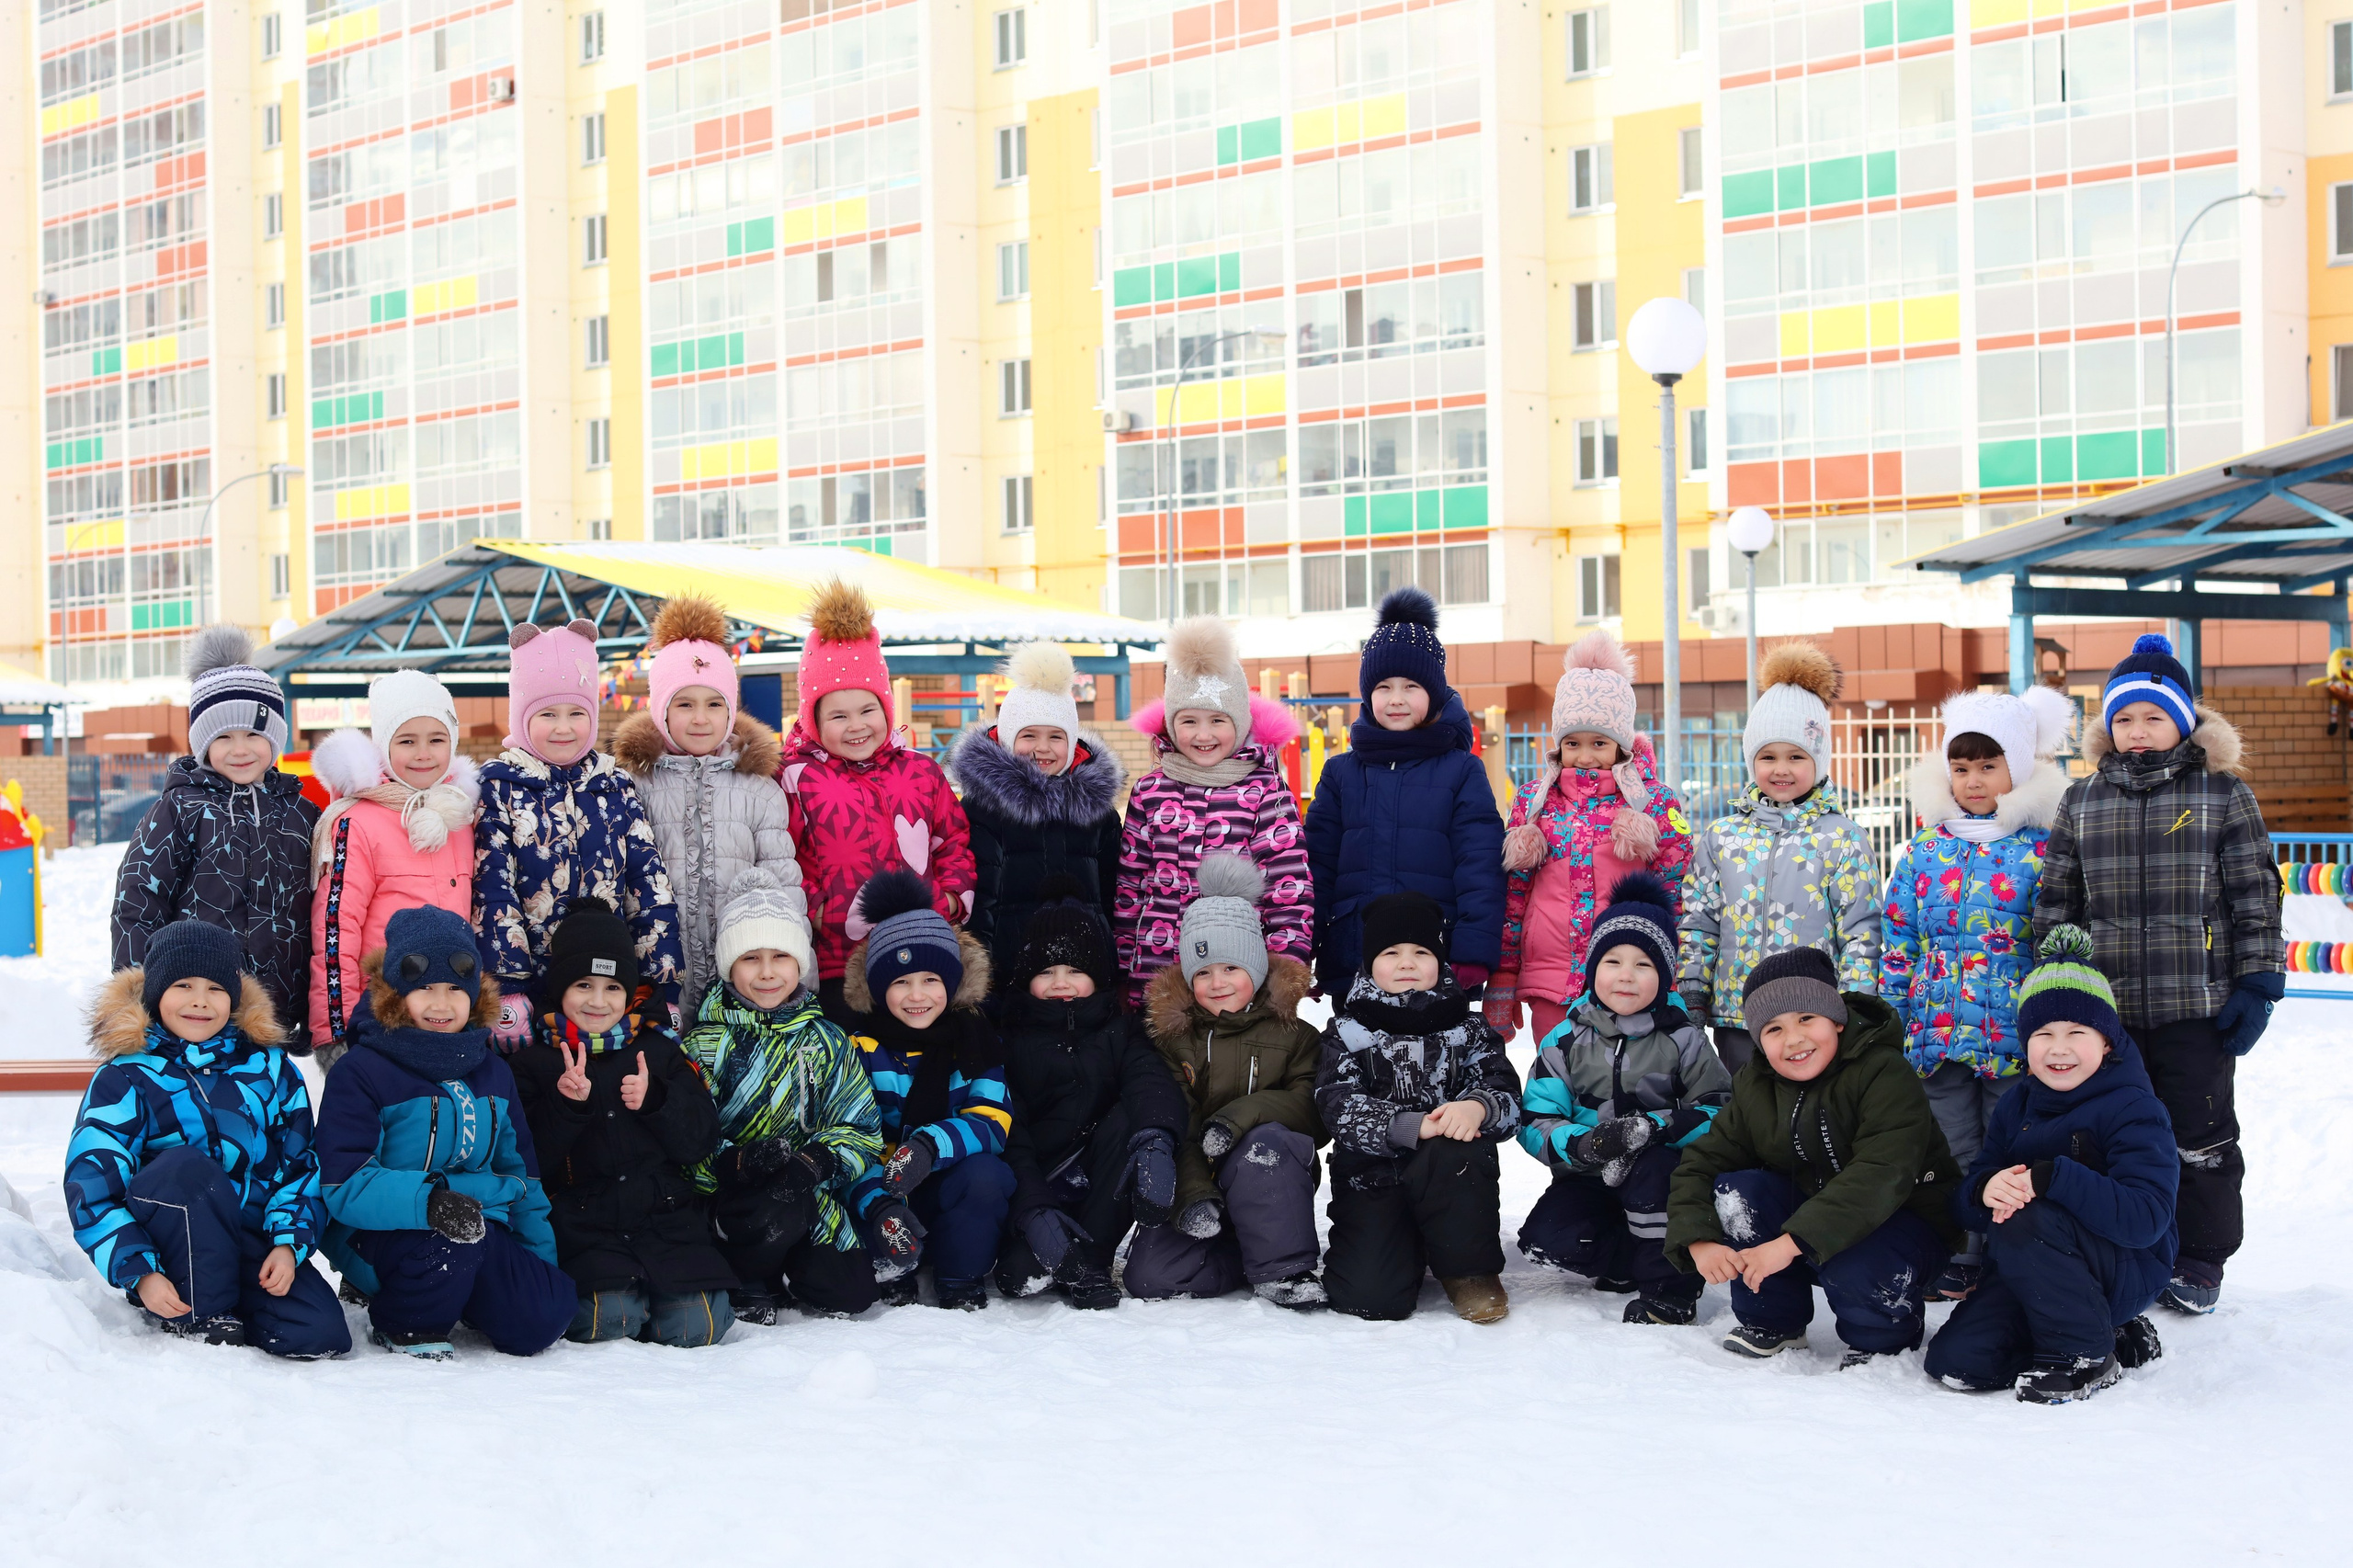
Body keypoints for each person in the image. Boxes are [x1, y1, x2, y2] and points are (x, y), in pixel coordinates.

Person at [2032, 633, 2282, 1316]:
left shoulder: (2222, 794)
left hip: (2195, 1006)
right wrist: (2057, 982)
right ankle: (2125, 1243)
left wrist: (2258, 982)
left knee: (2198, 1135)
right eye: (2122, 719)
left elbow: (2255, 898)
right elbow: (2058, 900)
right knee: (2109, 1133)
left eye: (2152, 716)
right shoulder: (2081, 802)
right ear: (2106, 729)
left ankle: (2200, 1256)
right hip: (2105, 1016)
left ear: (2182, 721)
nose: (2137, 732)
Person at [63, 921, 349, 1358]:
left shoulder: (269, 1069)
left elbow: (299, 1163)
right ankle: (198, 1311)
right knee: (186, 1167)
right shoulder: (126, 1075)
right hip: (172, 1244)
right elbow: (92, 1184)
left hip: (250, 1235)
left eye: (216, 988)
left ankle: (230, 1302)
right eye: (183, 985)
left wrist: (288, 1244)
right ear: (157, 992)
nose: (200, 1000)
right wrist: (141, 1272)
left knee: (317, 1333)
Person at [1665, 948, 1962, 1366]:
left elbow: (1882, 1173)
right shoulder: (1756, 1086)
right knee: (1739, 1191)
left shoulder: (1883, 1071)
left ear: (1836, 1020)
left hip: (1903, 1226)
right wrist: (1696, 1238)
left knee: (1854, 1257)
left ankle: (1881, 1335)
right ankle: (1773, 1321)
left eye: (1807, 1018)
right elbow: (1703, 1161)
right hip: (1810, 1220)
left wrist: (1789, 1244)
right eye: (1774, 1029)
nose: (1794, 1039)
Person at [1926, 926, 2178, 1403]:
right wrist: (1984, 1191)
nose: (2058, 1048)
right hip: (2031, 1269)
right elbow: (1968, 1200)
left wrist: (2053, 1178)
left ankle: (2086, 1356)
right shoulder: (2016, 1104)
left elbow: (2147, 1217)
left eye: (2076, 1033)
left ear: (2106, 1042)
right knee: (1958, 1363)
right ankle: (2107, 1333)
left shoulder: (2134, 1108)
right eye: (2043, 1034)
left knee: (2031, 1214)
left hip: (2123, 1265)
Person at [1881, 684, 2075, 1298]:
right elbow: (1900, 939)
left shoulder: (2041, 851)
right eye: (1961, 767)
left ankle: (2006, 1246)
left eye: (1988, 766)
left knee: (2010, 1140)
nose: (1972, 779)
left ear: (2015, 770)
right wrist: (1892, 1015)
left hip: (2012, 1032)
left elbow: (2053, 940)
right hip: (1937, 1031)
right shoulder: (1925, 850)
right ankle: (1962, 1245)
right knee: (1951, 1142)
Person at [315, 905, 576, 1359]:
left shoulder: (492, 1072)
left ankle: (462, 1292)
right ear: (397, 994)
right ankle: (404, 1324)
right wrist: (430, 1202)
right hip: (381, 1232)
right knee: (451, 1248)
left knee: (545, 1313)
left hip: (477, 1224)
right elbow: (344, 1182)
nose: (441, 1004)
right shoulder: (362, 1071)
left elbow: (524, 1179)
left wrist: (535, 1265)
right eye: (425, 990)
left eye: (455, 989)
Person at [511, 897, 736, 1348]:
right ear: (559, 989)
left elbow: (700, 1141)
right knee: (606, 1322)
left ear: (629, 992)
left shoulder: (659, 1050)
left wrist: (657, 1102)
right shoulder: (534, 1063)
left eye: (612, 988)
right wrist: (566, 1107)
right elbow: (528, 1164)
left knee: (699, 1328)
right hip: (585, 1228)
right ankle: (629, 1303)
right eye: (583, 985)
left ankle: (659, 1302)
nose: (598, 1001)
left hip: (665, 1222)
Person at [1516, 872, 1731, 1326]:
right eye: (1613, 961)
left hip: (1662, 1172)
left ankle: (1668, 1291)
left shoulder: (1684, 1039)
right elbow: (1535, 1118)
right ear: (1593, 969)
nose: (1626, 977)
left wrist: (1657, 1128)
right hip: (1590, 1173)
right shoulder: (1567, 1038)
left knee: (1653, 1179)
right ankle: (1623, 1253)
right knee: (1548, 1241)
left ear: (1666, 974)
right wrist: (1585, 1145)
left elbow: (1720, 1109)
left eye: (1644, 965)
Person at [681, 867, 886, 1322]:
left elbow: (861, 1129)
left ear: (800, 964)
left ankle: (788, 1270)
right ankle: (748, 1275)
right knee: (767, 1214)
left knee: (851, 1291)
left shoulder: (828, 1040)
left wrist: (818, 1162)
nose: (768, 973)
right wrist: (737, 1163)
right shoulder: (705, 1045)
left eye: (781, 957)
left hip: (807, 1193)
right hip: (733, 1198)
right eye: (751, 958)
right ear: (729, 966)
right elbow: (685, 1137)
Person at [1126, 854, 1326, 1308]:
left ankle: (1285, 1270)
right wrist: (1195, 1195)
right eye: (1203, 972)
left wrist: (1236, 1121)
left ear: (1255, 967)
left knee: (1267, 1143)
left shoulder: (1295, 1035)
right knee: (1151, 1278)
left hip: (1270, 1179)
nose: (1217, 982)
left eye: (1231, 968)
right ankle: (1243, 1254)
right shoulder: (1172, 1041)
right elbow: (1180, 1123)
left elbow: (1312, 1111)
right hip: (1200, 1180)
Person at [773, 579, 974, 1026]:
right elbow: (781, 853)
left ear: (886, 708)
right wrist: (817, 909)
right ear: (812, 719)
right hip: (836, 958)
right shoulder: (795, 776)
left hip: (919, 957)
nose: (856, 726)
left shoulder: (920, 771)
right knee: (856, 1060)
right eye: (838, 716)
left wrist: (952, 900)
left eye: (868, 711)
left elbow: (952, 839)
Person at [475, 618, 684, 1049]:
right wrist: (509, 986)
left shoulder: (614, 784)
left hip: (607, 988)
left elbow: (648, 883)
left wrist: (660, 980)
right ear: (522, 715)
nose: (564, 728)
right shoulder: (500, 786)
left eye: (576, 713)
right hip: (534, 983)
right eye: (547, 714)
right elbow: (492, 887)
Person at [112, 626, 321, 1055]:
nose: (240, 749)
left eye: (254, 735)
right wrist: (136, 998)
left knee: (262, 1106)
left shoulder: (302, 814)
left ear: (275, 738)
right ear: (202, 744)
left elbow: (321, 909)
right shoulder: (180, 810)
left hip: (276, 1009)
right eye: (223, 737)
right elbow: (139, 903)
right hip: (196, 1007)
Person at [1316, 892, 1523, 1324]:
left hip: (1450, 1175)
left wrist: (1478, 1108)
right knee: (1370, 1299)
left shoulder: (1468, 1028)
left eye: (1421, 952)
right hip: (1372, 1177)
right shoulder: (1348, 1031)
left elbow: (1504, 1090)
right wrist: (1406, 1125)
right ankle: (1404, 1246)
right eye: (1391, 952)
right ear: (1370, 964)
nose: (1407, 963)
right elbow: (1336, 1102)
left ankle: (1470, 1271)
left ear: (1441, 961)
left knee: (1457, 1154)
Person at [1677, 642, 1879, 1074]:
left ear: (1819, 761)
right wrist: (1693, 992)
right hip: (1737, 1015)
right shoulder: (1722, 838)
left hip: (1812, 1019)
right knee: (1745, 1120)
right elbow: (1699, 921)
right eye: (1767, 756)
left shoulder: (1842, 839)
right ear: (1752, 760)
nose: (1780, 768)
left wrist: (1856, 1007)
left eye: (1796, 756)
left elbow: (1861, 930)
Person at [1487, 627, 1690, 1045]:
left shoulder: (1652, 803)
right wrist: (1505, 974)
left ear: (1621, 746)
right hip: (1551, 976)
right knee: (1554, 1078)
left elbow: (1675, 893)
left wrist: (1673, 971)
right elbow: (1514, 896)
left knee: (1621, 1084)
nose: (1584, 756)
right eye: (1572, 743)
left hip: (1627, 978)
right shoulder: (1535, 803)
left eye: (1599, 742)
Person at [993, 880, 1188, 1310]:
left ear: (1097, 976)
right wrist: (1033, 1208)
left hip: (1102, 1177)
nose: (1060, 983)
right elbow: (1010, 1131)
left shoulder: (1121, 1030)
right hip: (1040, 1185)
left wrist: (1156, 1138)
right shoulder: (1009, 1042)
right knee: (1020, 1274)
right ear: (1026, 980)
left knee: (1130, 1116)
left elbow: (1149, 1081)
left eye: (1075, 970)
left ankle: (1092, 1258)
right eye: (1045, 972)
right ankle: (1052, 1245)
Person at [1304, 586, 1505, 998]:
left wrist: (1472, 951)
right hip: (1354, 957)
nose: (1396, 699)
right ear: (1367, 695)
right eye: (1383, 687)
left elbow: (1479, 867)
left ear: (1432, 693)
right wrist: (1302, 948)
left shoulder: (1461, 770)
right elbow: (1316, 870)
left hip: (1435, 958)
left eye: (1411, 686)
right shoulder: (1341, 774)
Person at [614, 592, 803, 1020]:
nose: (701, 719)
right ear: (661, 710)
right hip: (659, 977)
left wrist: (797, 980)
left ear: (731, 710)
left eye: (714, 704)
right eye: (684, 704)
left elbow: (783, 888)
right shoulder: (633, 785)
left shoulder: (759, 789)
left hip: (746, 981)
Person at [839, 870, 1017, 1311]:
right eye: (900, 982)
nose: (916, 995)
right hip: (881, 1190)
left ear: (952, 983)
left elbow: (991, 1120)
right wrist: (878, 1202)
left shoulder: (975, 1041)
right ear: (880, 990)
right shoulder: (859, 1049)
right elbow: (847, 1135)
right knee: (848, 1187)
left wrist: (928, 1146)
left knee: (987, 1176)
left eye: (930, 980)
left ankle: (959, 1275)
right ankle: (892, 1263)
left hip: (945, 1182)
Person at [1114, 615, 1310, 1005]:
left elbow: (1289, 886)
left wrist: (1285, 963)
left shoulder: (1265, 790)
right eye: (1189, 721)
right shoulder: (1150, 790)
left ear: (1238, 723)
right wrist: (1122, 960)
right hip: (1158, 964)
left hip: (1236, 969)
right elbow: (1130, 884)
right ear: (1171, 725)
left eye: (1217, 721)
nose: (1203, 735)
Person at [307, 668, 481, 1065]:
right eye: (407, 741)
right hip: (383, 1014)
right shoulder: (358, 822)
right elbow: (336, 929)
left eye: (437, 740)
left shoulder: (462, 817)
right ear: (384, 746)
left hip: (451, 1011)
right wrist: (337, 1029)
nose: (423, 754)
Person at [954, 641, 1127, 994]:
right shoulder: (983, 810)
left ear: (1073, 743)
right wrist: (979, 976)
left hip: (1084, 973)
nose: (1042, 748)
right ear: (1005, 738)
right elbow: (980, 901)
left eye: (1055, 736)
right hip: (1008, 967)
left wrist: (1113, 961)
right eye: (1028, 735)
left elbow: (1113, 894)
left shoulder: (1096, 814)